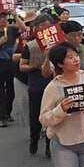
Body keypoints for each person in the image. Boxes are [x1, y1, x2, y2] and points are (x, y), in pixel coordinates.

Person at [20, 14, 55, 158]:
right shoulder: (30, 46)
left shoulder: (58, 45)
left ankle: (49, 145)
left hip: (53, 87)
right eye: (42, 26)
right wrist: (33, 67)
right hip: (36, 85)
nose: (45, 28)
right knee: (35, 117)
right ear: (36, 29)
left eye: (48, 25)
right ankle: (34, 139)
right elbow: (22, 66)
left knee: (52, 118)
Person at [0, 11, 27, 127]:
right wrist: (0, 42)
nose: (2, 20)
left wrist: (15, 16)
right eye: (0, 17)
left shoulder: (12, 29)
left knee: (11, 90)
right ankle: (2, 116)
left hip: (11, 62)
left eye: (4, 17)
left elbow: (23, 28)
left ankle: (8, 112)